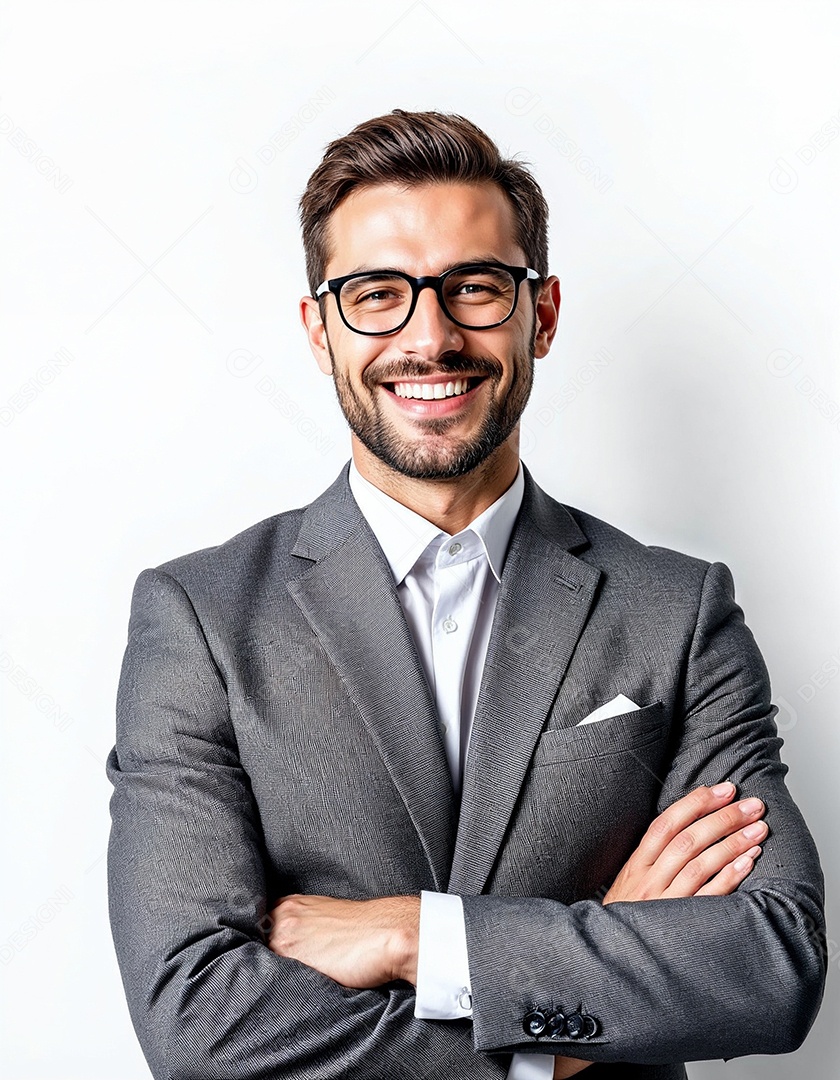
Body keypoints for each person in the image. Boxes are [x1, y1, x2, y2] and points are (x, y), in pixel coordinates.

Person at [106, 110, 825, 1080]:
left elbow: (771, 965)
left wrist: (417, 940)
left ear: (544, 313)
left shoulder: (678, 612)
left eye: (476, 289)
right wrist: (551, 1048)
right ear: (320, 330)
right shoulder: (198, 621)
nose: (430, 337)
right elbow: (196, 1021)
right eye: (376, 295)